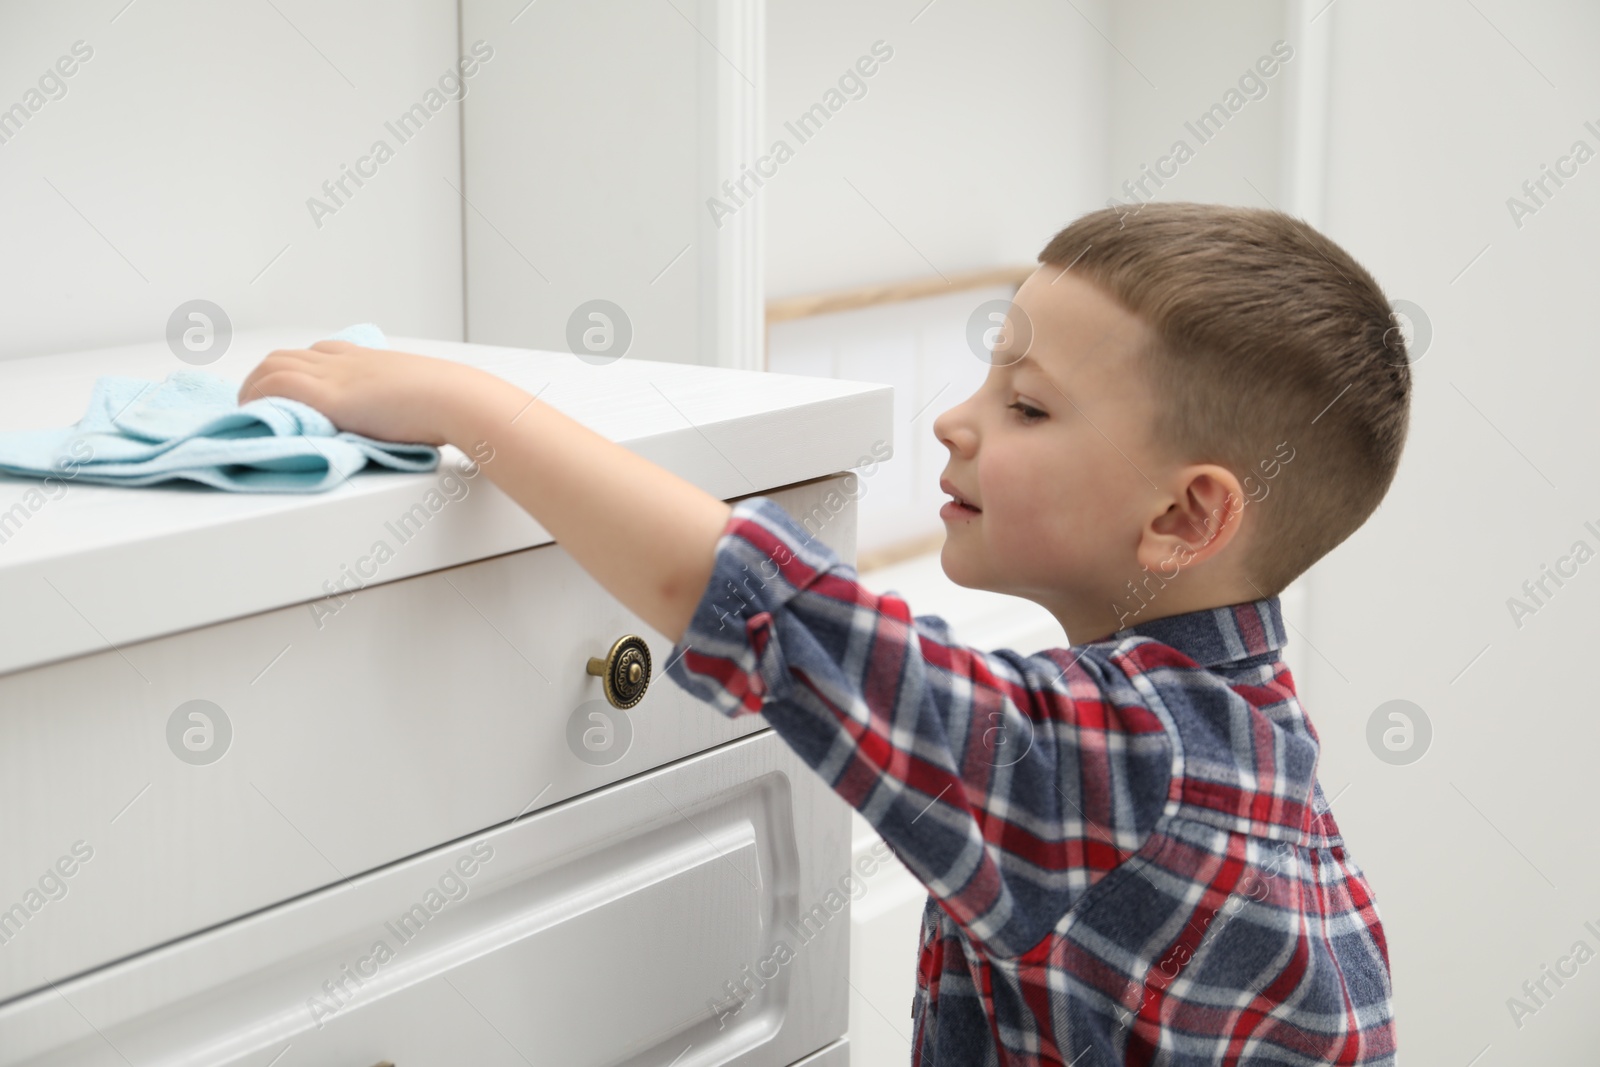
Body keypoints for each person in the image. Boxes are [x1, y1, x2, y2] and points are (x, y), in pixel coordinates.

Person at [238, 201, 1405, 1065]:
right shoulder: (1231, 719)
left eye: (1026, 403)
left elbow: (775, 610)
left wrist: (465, 405)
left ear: (1183, 515)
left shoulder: (1124, 762)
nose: (953, 421)